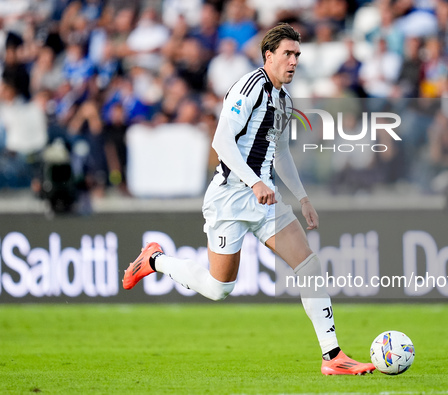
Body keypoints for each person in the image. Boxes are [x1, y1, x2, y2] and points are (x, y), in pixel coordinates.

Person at [122, 23, 375, 376]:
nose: (294, 61)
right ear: (268, 55)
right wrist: (255, 181)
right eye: (287, 53)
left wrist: (302, 198)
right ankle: (156, 260)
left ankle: (332, 357)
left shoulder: (283, 100)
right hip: (229, 198)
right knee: (218, 288)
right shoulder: (250, 86)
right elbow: (222, 141)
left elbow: (281, 152)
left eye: (298, 55)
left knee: (309, 266)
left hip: (264, 201)